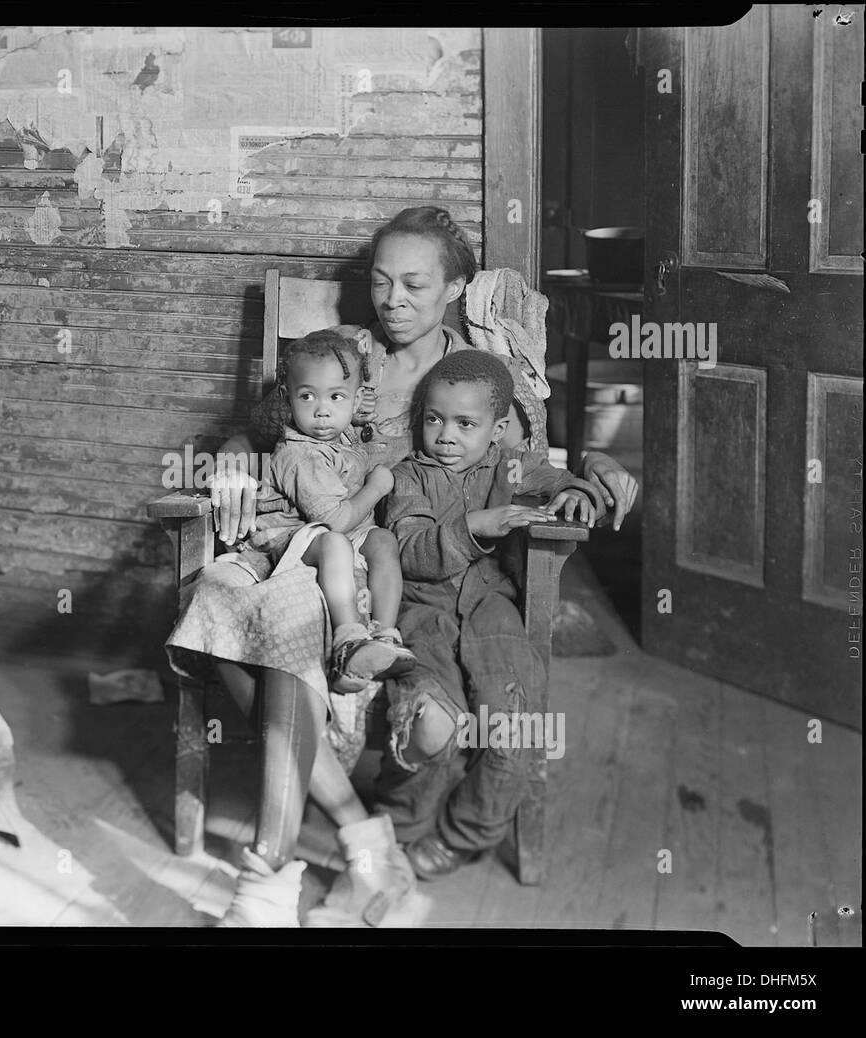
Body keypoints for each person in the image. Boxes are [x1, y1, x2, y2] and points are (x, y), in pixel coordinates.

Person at [164, 206, 639, 927]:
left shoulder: (473, 374)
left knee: (283, 634)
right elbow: (269, 424)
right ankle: (356, 841)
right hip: (317, 546)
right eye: (382, 282)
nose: (393, 300)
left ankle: (290, 864)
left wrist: (594, 464)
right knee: (223, 606)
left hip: (394, 573)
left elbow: (531, 465)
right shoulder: (347, 353)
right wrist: (232, 455)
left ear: (453, 289)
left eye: (415, 284)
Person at [381, 349, 607, 875]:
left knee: (516, 719)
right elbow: (410, 549)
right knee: (428, 718)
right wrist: (475, 526)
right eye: (434, 419)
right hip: (423, 613)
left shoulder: (511, 464)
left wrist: (577, 492)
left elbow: (555, 479)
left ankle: (467, 832)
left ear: (499, 428)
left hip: (491, 608)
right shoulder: (407, 476)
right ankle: (401, 825)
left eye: (465, 423)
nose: (445, 435)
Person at [252, 329, 416, 692]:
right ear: (286, 398)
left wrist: (356, 423)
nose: (322, 410)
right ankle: (348, 638)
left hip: (342, 529)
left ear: (357, 401)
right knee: (335, 544)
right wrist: (377, 487)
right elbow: (337, 521)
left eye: (336, 397)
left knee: (384, 541)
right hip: (291, 536)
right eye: (307, 396)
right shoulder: (298, 455)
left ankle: (385, 636)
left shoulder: (340, 433)